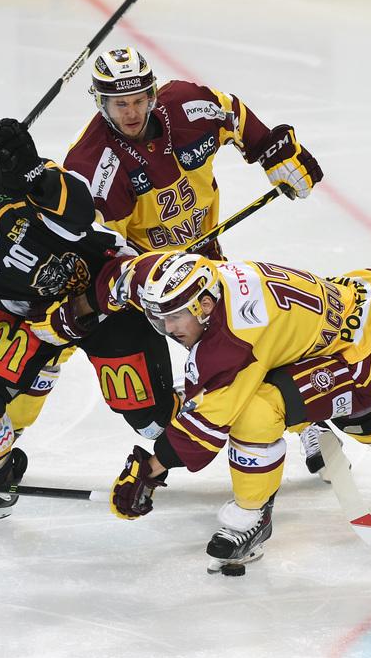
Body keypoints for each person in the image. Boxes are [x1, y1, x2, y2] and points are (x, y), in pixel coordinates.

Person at [94, 251, 371, 573]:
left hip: (363, 353)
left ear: (205, 306)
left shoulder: (229, 344)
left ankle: (251, 516)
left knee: (258, 410)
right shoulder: (176, 278)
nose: (169, 330)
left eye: (175, 319)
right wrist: (77, 309)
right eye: (160, 319)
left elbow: (204, 430)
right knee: (310, 400)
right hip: (348, 309)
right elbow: (126, 274)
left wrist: (148, 471)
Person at [62, 46, 335, 476]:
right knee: (156, 408)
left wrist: (274, 153)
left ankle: (302, 418)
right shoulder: (91, 166)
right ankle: (201, 428)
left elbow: (234, 114)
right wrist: (145, 277)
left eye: (137, 100)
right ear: (101, 103)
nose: (131, 112)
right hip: (148, 283)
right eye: (119, 103)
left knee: (248, 339)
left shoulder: (187, 105)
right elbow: (98, 245)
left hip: (206, 262)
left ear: (152, 94)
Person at [0, 120, 178, 527]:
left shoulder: (22, 186)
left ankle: (239, 413)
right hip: (27, 312)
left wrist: (35, 175)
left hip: (103, 297)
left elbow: (81, 216)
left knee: (154, 423)